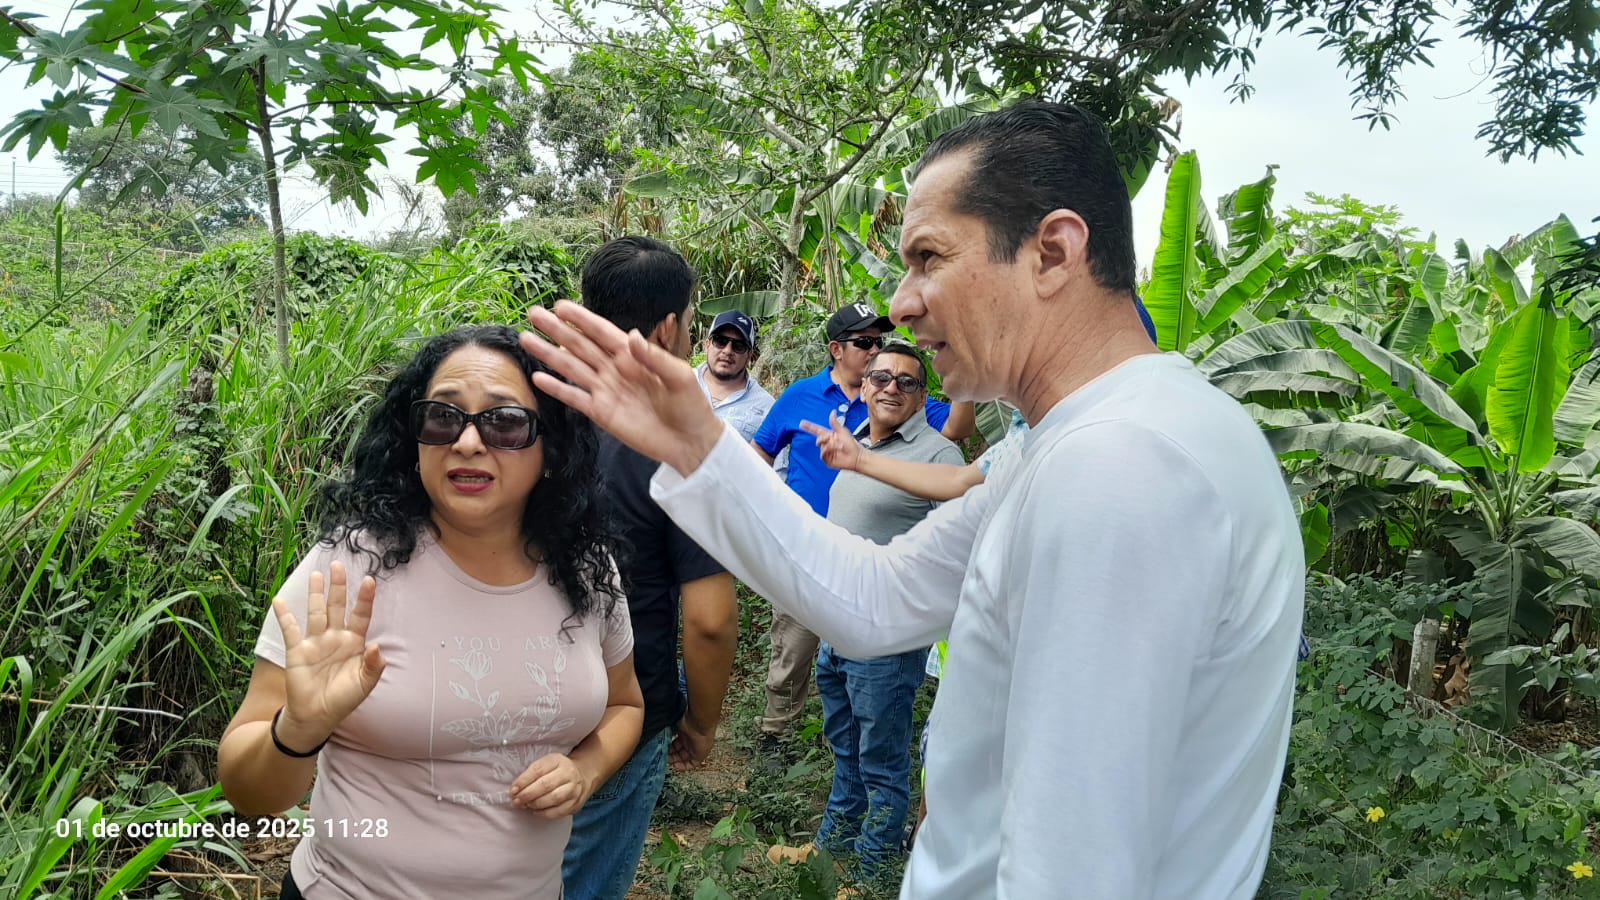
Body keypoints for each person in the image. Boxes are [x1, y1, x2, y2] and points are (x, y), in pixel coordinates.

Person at [520, 99, 1304, 898]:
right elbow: (878, 598)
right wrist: (697, 444)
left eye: (929, 257)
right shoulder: (1067, 443)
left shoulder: (1122, 464)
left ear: (1054, 252)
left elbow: (1073, 868)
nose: (900, 301)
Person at [218, 325, 643, 900]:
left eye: (504, 421)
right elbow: (248, 792)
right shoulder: (351, 567)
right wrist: (298, 730)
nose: (467, 442)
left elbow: (624, 704)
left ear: (551, 446)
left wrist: (587, 770)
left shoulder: (585, 569)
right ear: (413, 439)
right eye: (443, 417)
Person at [562, 236, 740, 900]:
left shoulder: (530, 414)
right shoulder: (680, 446)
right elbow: (711, 620)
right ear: (668, 328)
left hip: (515, 689)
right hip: (624, 707)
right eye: (691, 322)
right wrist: (699, 723)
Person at [766, 343, 964, 886]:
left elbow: (963, 547)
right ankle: (832, 850)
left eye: (907, 381)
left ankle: (872, 873)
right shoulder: (854, 441)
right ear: (865, 385)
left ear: (922, 397)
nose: (891, 388)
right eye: (881, 378)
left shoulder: (938, 456)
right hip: (837, 629)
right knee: (846, 750)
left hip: (887, 639)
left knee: (882, 760)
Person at [748, 303, 974, 750]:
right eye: (864, 343)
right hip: (808, 553)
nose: (875, 352)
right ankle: (778, 737)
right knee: (794, 649)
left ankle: (840, 752)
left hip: (873, 578)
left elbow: (956, 428)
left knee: (861, 677)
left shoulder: (897, 400)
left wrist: (966, 365)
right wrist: (774, 515)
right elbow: (761, 452)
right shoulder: (801, 395)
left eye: (878, 342)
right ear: (837, 349)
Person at [696, 308, 773, 441]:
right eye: (721, 341)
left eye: (738, 346)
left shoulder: (766, 407)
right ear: (707, 345)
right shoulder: (679, 381)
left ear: (749, 356)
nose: (727, 351)